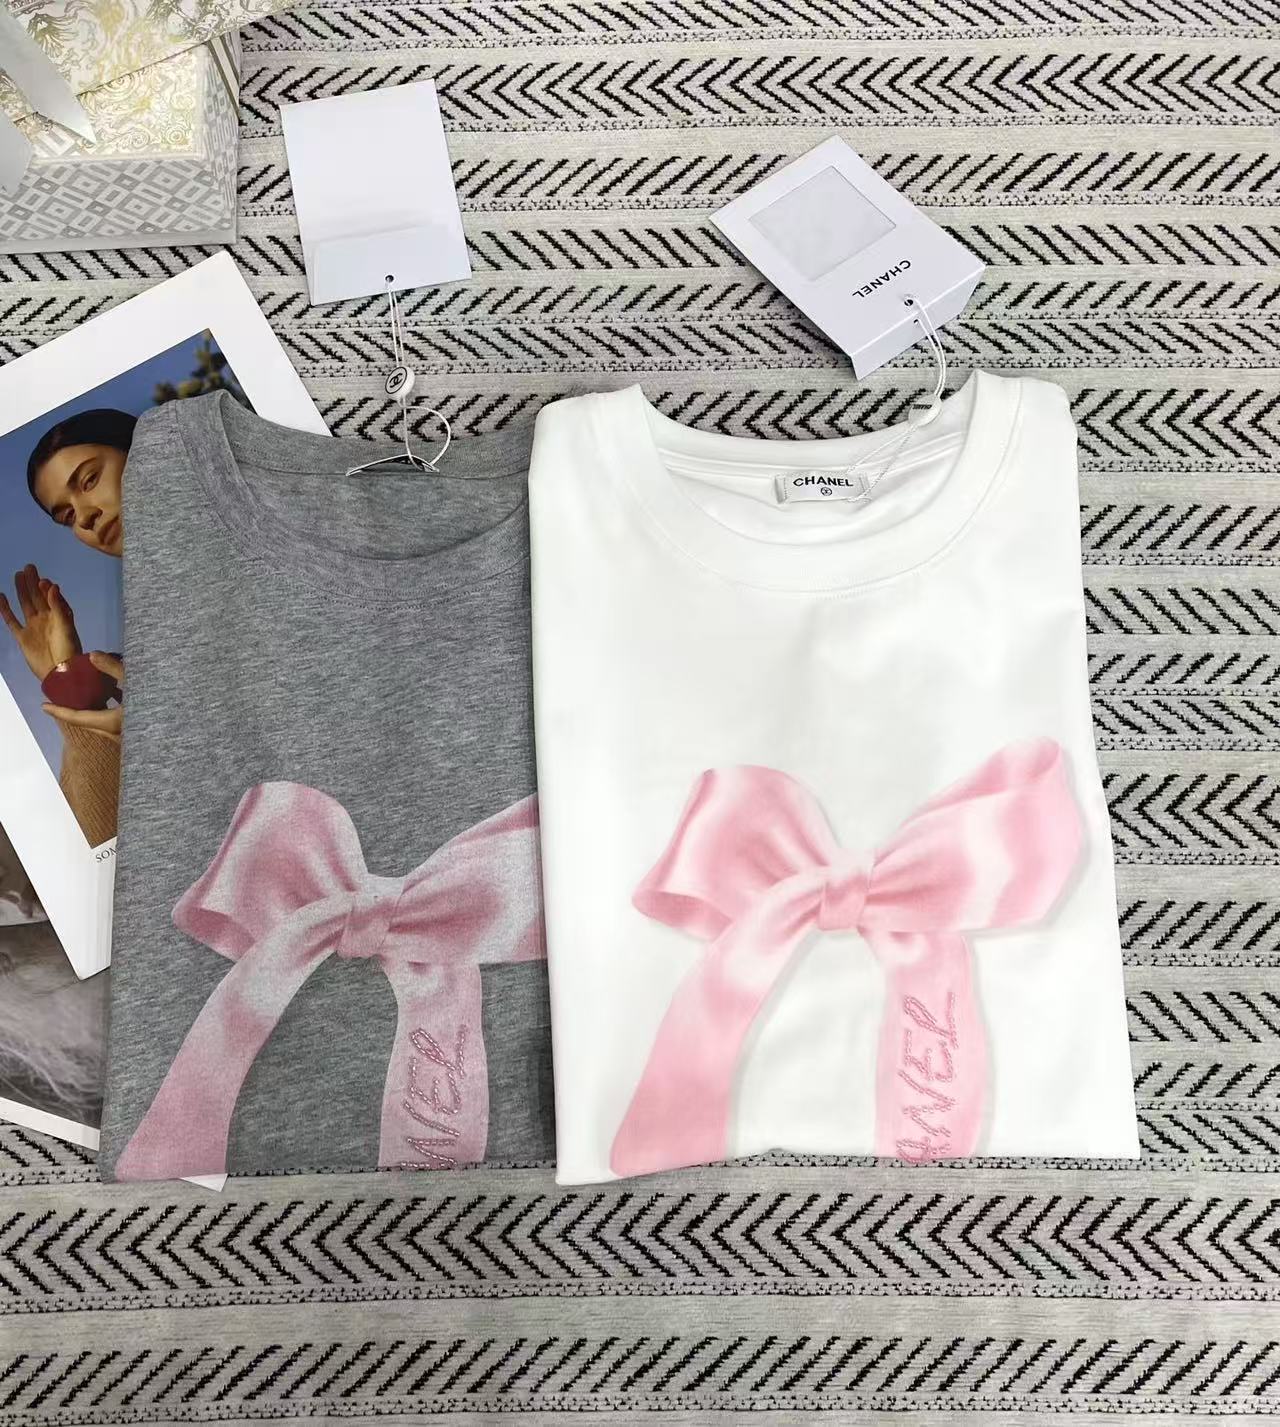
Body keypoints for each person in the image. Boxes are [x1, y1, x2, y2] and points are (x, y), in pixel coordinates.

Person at [0, 409, 133, 847]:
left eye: (90, 479)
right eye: (66, 516)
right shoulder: (146, 649)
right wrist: (71, 683)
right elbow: (104, 842)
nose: (85, 517)